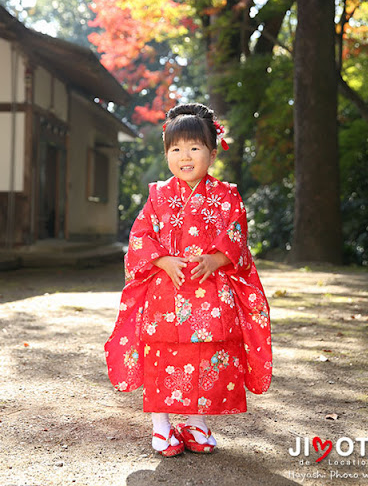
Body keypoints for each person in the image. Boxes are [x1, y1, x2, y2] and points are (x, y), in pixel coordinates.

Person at [104, 103, 272, 457]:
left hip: (209, 297)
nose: (185, 156)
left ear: (212, 153)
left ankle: (196, 421)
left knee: (205, 357)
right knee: (161, 356)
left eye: (194, 148)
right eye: (176, 148)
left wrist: (217, 257)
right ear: (166, 152)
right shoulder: (157, 196)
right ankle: (161, 424)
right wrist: (162, 258)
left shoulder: (227, 196)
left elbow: (237, 234)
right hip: (165, 294)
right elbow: (139, 236)